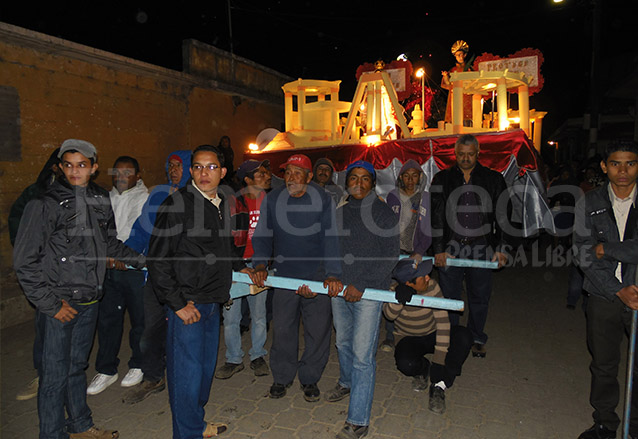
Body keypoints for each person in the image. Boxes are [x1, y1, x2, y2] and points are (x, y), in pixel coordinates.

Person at [13, 139, 145, 439]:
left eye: (82, 165)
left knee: (76, 368)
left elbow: (107, 242)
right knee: (52, 377)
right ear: (60, 167)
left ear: (94, 167)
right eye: (69, 165)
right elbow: (24, 261)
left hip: (90, 300)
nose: (75, 171)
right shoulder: (43, 203)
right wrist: (50, 304)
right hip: (59, 304)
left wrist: (140, 259)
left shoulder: (100, 198)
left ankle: (81, 426)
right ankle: (52, 433)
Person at [147, 144, 246, 438]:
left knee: (203, 372)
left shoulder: (220, 203)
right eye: (199, 167)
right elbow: (158, 259)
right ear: (191, 172)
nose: (205, 173)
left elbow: (221, 250)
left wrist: (243, 268)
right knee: (186, 375)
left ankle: (195, 422)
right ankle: (187, 432)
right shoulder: (177, 205)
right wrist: (177, 303)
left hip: (212, 300)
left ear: (223, 172)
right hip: (187, 303)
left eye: (212, 167)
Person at [251, 153, 342, 402]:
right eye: (287, 172)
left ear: (309, 177)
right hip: (284, 277)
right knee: (282, 330)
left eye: (297, 172)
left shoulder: (323, 199)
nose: (291, 177)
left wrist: (332, 274)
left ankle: (310, 377)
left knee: (318, 331)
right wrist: (259, 263)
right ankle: (281, 376)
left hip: (317, 276)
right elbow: (262, 234)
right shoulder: (274, 199)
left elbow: (331, 238)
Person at [324, 160, 399, 439]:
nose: (358, 183)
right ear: (347, 183)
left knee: (362, 356)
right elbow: (330, 249)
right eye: (353, 178)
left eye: (364, 178)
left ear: (372, 182)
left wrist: (362, 284)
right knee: (342, 341)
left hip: (368, 292)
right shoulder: (339, 213)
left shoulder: (383, 213)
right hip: (340, 289)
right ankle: (346, 383)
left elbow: (390, 255)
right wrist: (332, 276)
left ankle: (358, 421)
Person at [573, 141, 638, 439]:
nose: (623, 171)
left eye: (630, 163)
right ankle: (604, 423)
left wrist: (607, 249)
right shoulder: (589, 201)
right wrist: (618, 290)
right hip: (603, 295)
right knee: (603, 364)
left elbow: (599, 249)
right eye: (615, 163)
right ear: (604, 166)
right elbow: (583, 253)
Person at [121, 150, 192, 404]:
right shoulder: (158, 194)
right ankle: (153, 376)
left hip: (184, 277)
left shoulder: (197, 196)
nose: (174, 169)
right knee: (151, 328)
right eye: (170, 165)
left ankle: (184, 379)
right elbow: (142, 227)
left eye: (179, 165)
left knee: (183, 329)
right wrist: (127, 252)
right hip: (156, 274)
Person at [430, 134, 508, 358]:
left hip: (481, 246)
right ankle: (453, 337)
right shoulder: (442, 179)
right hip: (450, 247)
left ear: (478, 153)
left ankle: (476, 336)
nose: (465, 158)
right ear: (455, 154)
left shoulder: (493, 179)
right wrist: (438, 249)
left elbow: (503, 216)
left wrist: (502, 248)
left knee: (479, 296)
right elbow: (436, 216)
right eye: (461, 154)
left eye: (470, 154)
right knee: (450, 297)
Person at [88, 156, 149, 395]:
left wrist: (126, 257)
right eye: (118, 172)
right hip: (109, 268)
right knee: (108, 320)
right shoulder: (106, 198)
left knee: (139, 321)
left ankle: (139, 363)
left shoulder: (145, 199)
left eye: (128, 172)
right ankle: (106, 369)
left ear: (138, 175)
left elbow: (142, 231)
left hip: (133, 270)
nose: (122, 177)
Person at [384, 258, 472, 415]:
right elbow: (389, 315)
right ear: (408, 283)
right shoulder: (393, 290)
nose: (428, 277)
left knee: (464, 336)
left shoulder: (432, 286)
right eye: (422, 276)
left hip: (433, 333)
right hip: (408, 337)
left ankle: (440, 385)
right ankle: (423, 369)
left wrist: (439, 361)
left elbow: (443, 322)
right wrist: (400, 299)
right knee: (405, 364)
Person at [9, 147, 61, 401]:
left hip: (76, 278)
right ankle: (43, 375)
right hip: (46, 274)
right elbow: (17, 225)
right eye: (66, 163)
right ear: (55, 166)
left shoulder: (87, 196)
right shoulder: (36, 194)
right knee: (46, 326)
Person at [215, 159, 272, 380]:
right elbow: (224, 237)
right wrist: (233, 264)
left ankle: (258, 355)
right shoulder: (231, 203)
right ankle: (233, 359)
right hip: (235, 265)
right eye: (261, 174)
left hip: (259, 265)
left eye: (267, 172)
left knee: (259, 315)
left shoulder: (270, 201)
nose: (267, 176)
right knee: (231, 316)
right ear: (247, 179)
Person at [382, 159, 432, 351]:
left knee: (415, 291)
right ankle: (390, 336)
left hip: (416, 253)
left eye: (415, 175)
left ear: (420, 176)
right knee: (391, 292)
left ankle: (415, 334)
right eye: (406, 175)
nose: (410, 179)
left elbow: (428, 227)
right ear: (400, 177)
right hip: (394, 253)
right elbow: (387, 224)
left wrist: (420, 252)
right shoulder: (392, 196)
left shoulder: (425, 197)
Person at [441, 40, 474, 125]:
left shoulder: (469, 69)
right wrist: (445, 76)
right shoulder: (453, 70)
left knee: (466, 119)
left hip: (466, 97)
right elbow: (448, 84)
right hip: (455, 98)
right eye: (457, 55)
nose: (459, 57)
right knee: (455, 118)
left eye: (460, 55)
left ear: (465, 55)